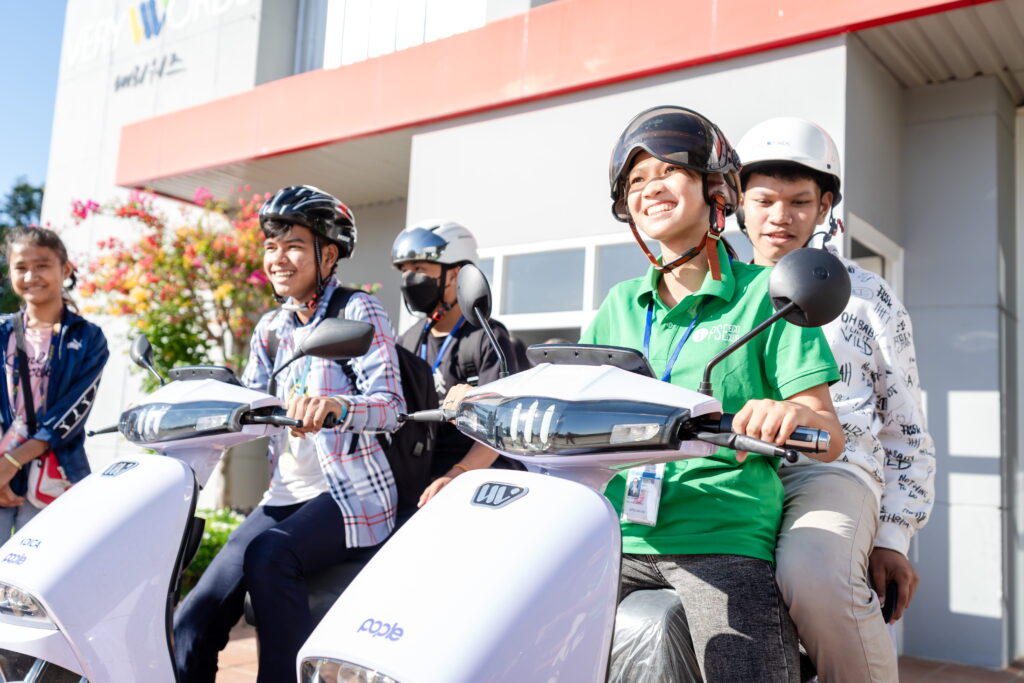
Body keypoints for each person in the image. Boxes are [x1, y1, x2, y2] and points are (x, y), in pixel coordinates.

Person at [428, 106, 845, 682]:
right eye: (637, 181)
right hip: (609, 533)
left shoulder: (765, 298)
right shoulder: (620, 304)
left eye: (668, 171)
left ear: (714, 189)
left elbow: (827, 433)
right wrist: (477, 399)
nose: (651, 188)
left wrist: (784, 412)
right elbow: (565, 393)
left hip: (718, 532)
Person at [173, 185, 405, 683]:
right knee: (193, 619)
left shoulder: (358, 312)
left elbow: (391, 407)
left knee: (270, 553)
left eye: (294, 245)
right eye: (271, 245)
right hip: (283, 495)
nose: (278, 258)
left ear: (329, 253)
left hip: (351, 495)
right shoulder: (270, 329)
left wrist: (336, 405)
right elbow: (251, 404)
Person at [736, 117, 935, 682]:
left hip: (833, 469)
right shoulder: (716, 295)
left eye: (800, 201)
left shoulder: (866, 295)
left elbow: (905, 428)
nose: (781, 217)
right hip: (728, 468)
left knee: (815, 571)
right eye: (765, 200)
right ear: (737, 204)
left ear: (825, 205)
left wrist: (893, 536)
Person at [391, 220, 523, 486]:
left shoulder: (487, 337)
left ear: (455, 274)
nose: (409, 279)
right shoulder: (409, 339)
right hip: (420, 478)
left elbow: (499, 425)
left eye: (419, 268)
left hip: (476, 478)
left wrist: (458, 474)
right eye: (404, 270)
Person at [0, 226, 108, 537]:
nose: (31, 275)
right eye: (21, 267)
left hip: (54, 475)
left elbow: (70, 414)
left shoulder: (88, 338)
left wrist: (11, 462)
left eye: (42, 265)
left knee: (35, 576)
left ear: (66, 269)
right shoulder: (3, 332)